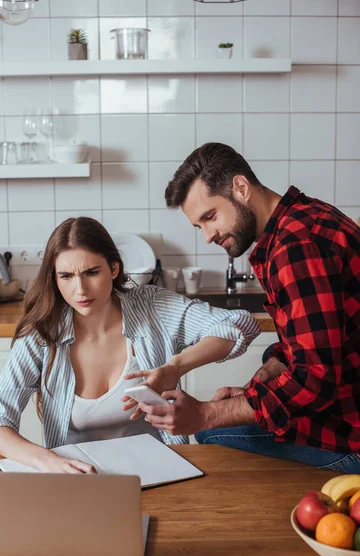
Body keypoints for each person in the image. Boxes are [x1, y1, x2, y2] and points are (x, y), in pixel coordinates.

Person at [135, 142, 360, 473]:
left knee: (211, 432)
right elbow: (305, 346)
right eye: (199, 226)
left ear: (240, 188)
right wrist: (255, 390)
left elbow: (315, 379)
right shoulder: (304, 218)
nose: (208, 236)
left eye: (210, 217)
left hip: (349, 436)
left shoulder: (294, 248)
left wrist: (206, 415)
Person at [0, 216, 261, 473]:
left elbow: (241, 324)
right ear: (54, 278)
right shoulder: (41, 334)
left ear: (114, 268)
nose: (80, 290)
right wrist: (48, 461)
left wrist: (176, 366)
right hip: (80, 483)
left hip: (164, 470)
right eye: (66, 276)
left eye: (91, 272)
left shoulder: (152, 306)